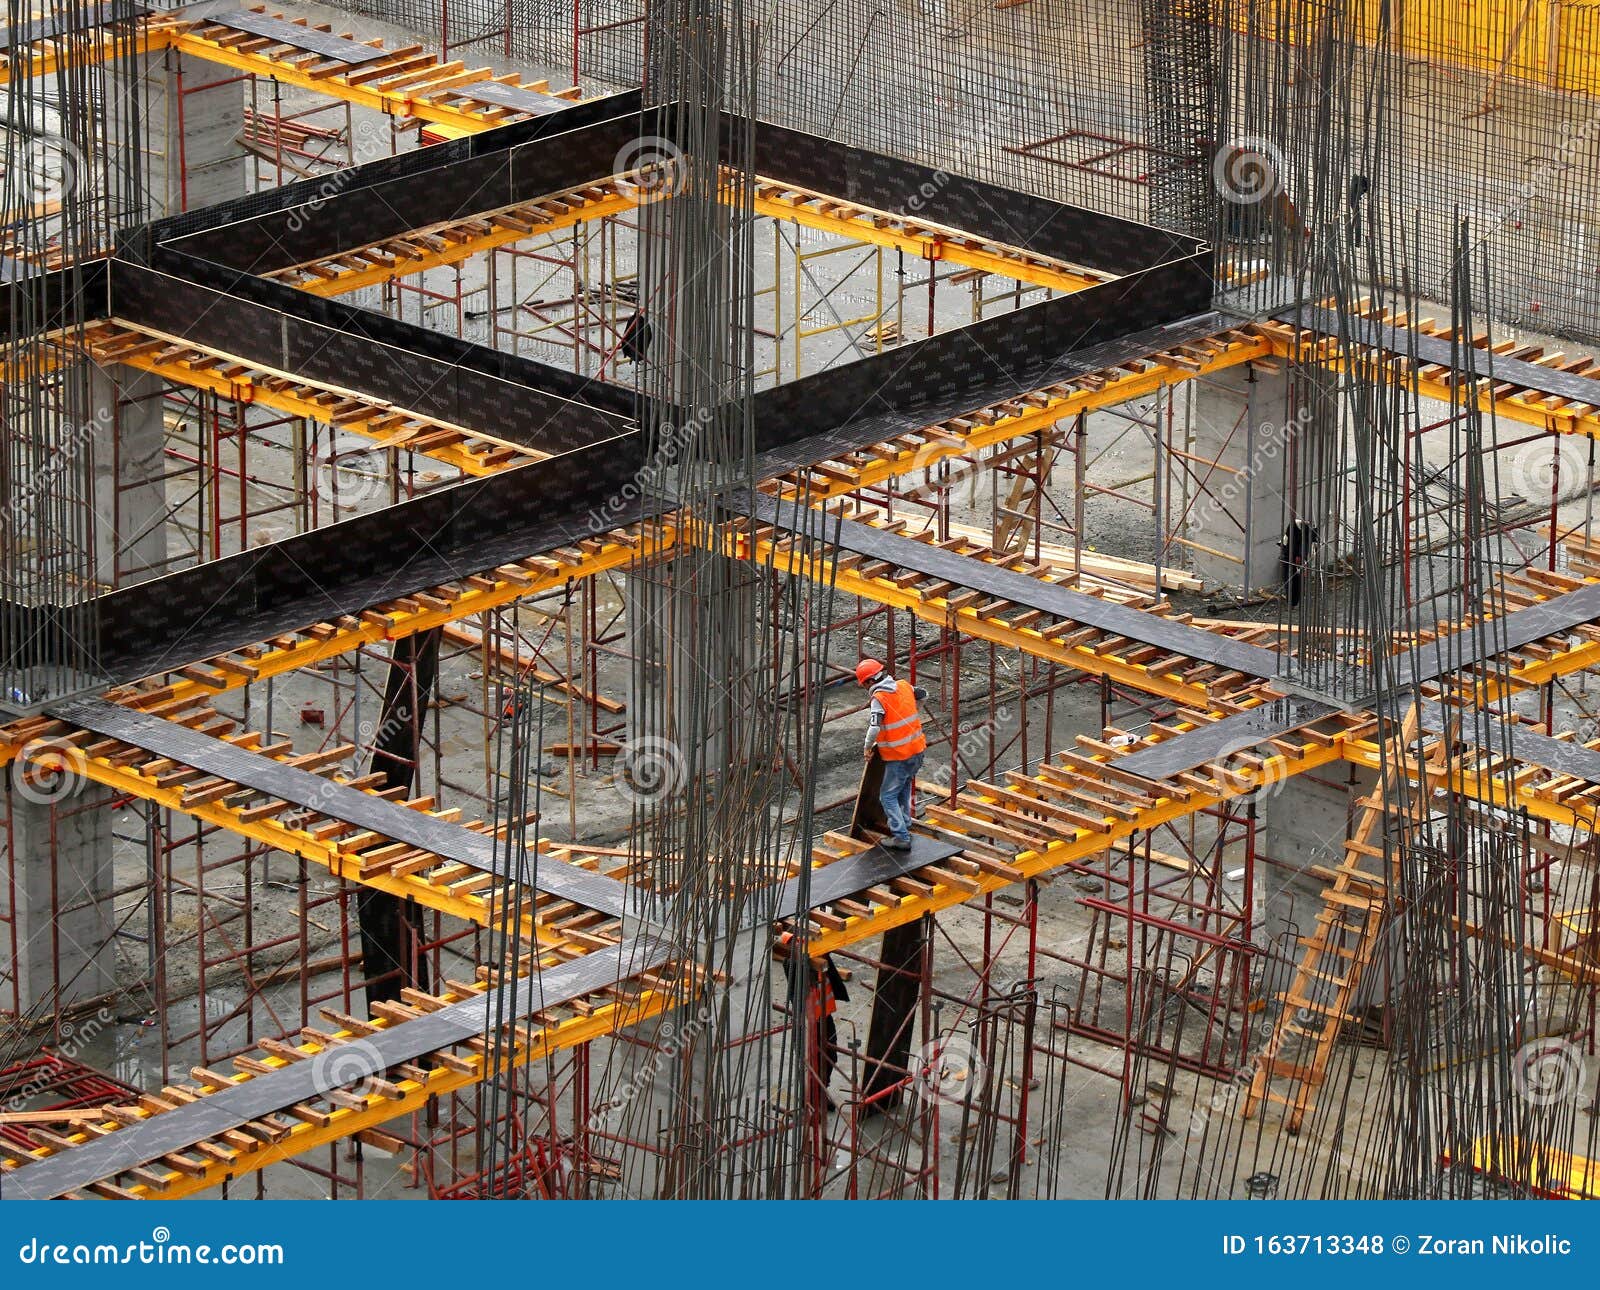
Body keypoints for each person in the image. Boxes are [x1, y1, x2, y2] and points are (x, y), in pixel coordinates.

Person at [855, 658, 926, 850]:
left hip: (899, 755)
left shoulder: (879, 698)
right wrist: (914, 711)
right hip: (917, 750)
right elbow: (923, 694)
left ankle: (901, 837)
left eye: (864, 684)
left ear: (870, 681)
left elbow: (874, 727)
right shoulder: (903, 686)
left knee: (887, 796)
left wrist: (867, 747)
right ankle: (905, 823)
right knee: (903, 788)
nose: (865, 688)